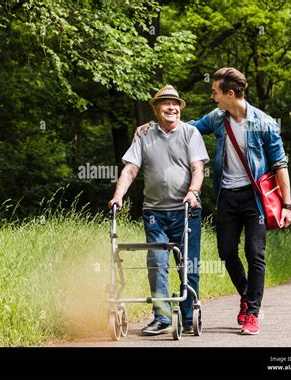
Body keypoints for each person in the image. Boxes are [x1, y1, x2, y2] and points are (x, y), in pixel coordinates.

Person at [135, 68, 291, 335]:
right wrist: (153, 127)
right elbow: (186, 129)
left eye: (215, 92)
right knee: (226, 252)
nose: (212, 97)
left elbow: (280, 164)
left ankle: (252, 313)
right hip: (227, 196)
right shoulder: (218, 118)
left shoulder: (264, 123)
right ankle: (246, 294)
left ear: (230, 94)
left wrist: (287, 205)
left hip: (255, 198)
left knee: (255, 254)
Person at [109, 85, 209, 335]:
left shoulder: (191, 133)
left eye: (175, 104)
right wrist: (118, 196)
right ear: (155, 109)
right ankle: (163, 317)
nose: (172, 107)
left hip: (186, 210)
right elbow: (130, 169)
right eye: (166, 103)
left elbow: (198, 168)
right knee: (156, 261)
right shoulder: (143, 135)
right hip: (155, 212)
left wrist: (193, 192)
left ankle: (187, 317)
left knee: (189, 265)